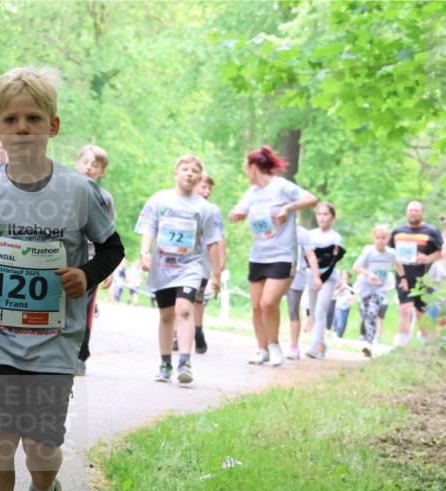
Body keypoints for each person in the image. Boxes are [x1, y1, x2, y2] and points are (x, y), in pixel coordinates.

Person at [0, 66, 122, 491]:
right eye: (11, 119)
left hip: (54, 341)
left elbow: (113, 246)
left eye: (34, 117)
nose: (23, 127)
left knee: (40, 445)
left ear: (53, 125)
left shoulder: (79, 191)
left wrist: (85, 273)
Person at [229, 146, 319, 366]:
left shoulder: (281, 186)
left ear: (253, 167)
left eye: (246, 169)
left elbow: (311, 199)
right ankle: (261, 350)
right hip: (258, 255)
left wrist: (288, 208)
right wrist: (237, 214)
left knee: (269, 302)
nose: (246, 173)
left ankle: (274, 345)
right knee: (257, 305)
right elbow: (235, 212)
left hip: (283, 255)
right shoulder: (251, 193)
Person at [136, 155, 221, 384]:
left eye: (194, 170)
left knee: (184, 309)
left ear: (199, 178)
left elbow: (213, 242)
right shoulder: (160, 199)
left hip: (190, 266)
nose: (189, 173)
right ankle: (165, 364)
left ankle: (185, 362)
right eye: (185, 169)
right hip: (163, 266)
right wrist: (145, 253)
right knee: (166, 315)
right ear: (176, 173)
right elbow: (148, 227)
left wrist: (216, 274)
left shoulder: (205, 208)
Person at [75, 144, 116, 375]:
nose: (89, 167)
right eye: (86, 162)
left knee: (83, 309)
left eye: (95, 165)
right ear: (77, 163)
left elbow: (108, 234)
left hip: (90, 261)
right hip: (62, 258)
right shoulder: (62, 190)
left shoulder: (105, 198)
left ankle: (80, 355)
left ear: (102, 171)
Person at [390, 200, 443, 345]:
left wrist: (427, 258)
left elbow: (441, 252)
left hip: (424, 278)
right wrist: (401, 275)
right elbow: (391, 253)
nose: (413, 213)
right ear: (407, 212)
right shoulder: (397, 232)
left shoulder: (431, 231)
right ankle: (400, 345)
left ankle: (429, 344)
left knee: (422, 313)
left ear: (422, 213)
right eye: (410, 210)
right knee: (405, 309)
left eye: (416, 210)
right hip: (403, 277)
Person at [353, 225, 407, 357]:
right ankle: (366, 338)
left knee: (372, 313)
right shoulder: (368, 251)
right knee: (365, 314)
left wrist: (404, 279)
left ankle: (368, 344)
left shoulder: (391, 253)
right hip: (366, 286)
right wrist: (368, 274)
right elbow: (356, 266)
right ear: (373, 238)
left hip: (380, 288)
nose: (380, 240)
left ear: (388, 239)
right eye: (377, 238)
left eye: (383, 238)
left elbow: (398, 265)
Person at [302, 202, 345, 359]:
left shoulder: (335, 237)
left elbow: (333, 260)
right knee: (313, 312)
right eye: (319, 214)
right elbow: (305, 255)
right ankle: (322, 345)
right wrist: (313, 276)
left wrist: (321, 277)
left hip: (328, 279)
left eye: (325, 214)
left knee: (321, 310)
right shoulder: (310, 234)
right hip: (311, 277)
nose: (322, 217)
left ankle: (316, 347)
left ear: (332, 217)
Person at [191, 172, 226, 354]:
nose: (206, 191)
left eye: (209, 189)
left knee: (198, 299)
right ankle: (176, 333)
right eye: (203, 187)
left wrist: (219, 265)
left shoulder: (212, 209)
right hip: (181, 259)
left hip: (203, 260)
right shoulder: (180, 204)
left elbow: (219, 236)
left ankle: (198, 330)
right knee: (179, 298)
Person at [287, 225, 313, 359]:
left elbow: (310, 254)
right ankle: (268, 344)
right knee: (268, 305)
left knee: (293, 310)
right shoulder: (273, 228)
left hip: (297, 274)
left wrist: (316, 276)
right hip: (276, 271)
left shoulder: (302, 233)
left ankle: (294, 346)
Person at [332, 271, 356, 339]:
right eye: (343, 275)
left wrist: (346, 287)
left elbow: (354, 292)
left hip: (347, 305)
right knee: (339, 320)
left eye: (346, 275)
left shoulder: (350, 285)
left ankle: (340, 335)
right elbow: (334, 294)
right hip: (338, 305)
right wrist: (340, 288)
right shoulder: (338, 284)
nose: (345, 276)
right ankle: (336, 334)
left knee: (344, 321)